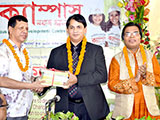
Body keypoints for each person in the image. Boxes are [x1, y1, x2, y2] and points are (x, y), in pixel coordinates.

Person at [47, 14, 110, 120]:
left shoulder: (96, 50)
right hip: (65, 106)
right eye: (72, 27)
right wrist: (40, 87)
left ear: (85, 29)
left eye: (79, 27)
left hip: (91, 107)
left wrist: (77, 79)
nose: (75, 30)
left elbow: (102, 75)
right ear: (67, 30)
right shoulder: (56, 52)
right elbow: (49, 77)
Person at [108, 22, 160, 119]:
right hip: (125, 112)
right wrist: (134, 80)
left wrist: (146, 75)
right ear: (123, 38)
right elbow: (112, 84)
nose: (131, 37)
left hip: (149, 110)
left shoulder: (150, 56)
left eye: (135, 33)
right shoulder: (117, 59)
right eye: (127, 34)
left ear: (140, 37)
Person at [0, 15, 48, 120]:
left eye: (26, 29)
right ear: (10, 29)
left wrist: (37, 82)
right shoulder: (2, 51)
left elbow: (28, 78)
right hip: (7, 112)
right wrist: (29, 85)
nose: (25, 31)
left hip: (24, 110)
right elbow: (1, 80)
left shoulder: (25, 52)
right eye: (21, 28)